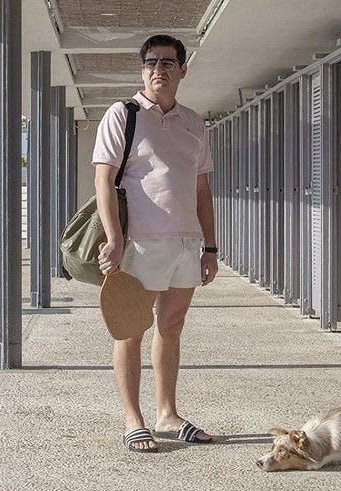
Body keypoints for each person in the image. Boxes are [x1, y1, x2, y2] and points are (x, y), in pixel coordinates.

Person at [93, 35, 218, 453]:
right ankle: (133, 419)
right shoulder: (123, 114)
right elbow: (103, 180)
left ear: (183, 69)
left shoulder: (193, 122)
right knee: (130, 328)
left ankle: (168, 413)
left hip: (186, 242)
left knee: (171, 326)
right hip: (140, 242)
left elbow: (201, 190)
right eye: (150, 62)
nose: (158, 69)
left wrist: (210, 248)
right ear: (142, 69)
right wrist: (114, 238)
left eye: (167, 62)